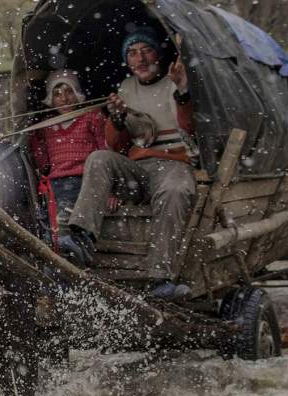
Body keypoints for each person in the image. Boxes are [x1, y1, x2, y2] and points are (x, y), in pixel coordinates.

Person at [68, 26, 197, 298]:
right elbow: (116, 144)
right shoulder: (126, 87)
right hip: (138, 170)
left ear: (158, 55)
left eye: (146, 50)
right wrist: (116, 118)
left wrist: (183, 90)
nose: (140, 59)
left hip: (173, 164)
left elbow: (189, 128)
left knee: (175, 191)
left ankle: (159, 278)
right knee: (99, 158)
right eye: (132, 53)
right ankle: (82, 238)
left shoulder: (173, 83)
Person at [28, 69, 109, 267]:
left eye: (69, 91)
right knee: (55, 232)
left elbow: (105, 151)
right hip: (57, 184)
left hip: (88, 180)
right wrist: (33, 137)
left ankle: (71, 263)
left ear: (78, 93)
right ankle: (66, 266)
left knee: (67, 229)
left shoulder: (92, 117)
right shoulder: (46, 127)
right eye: (57, 94)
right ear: (51, 99)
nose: (64, 99)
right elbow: (44, 164)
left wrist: (112, 191)